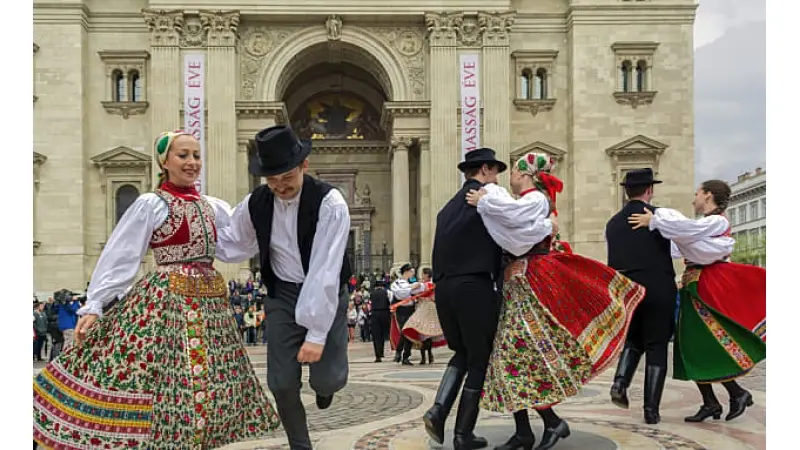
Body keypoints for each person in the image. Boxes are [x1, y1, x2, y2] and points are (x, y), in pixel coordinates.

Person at [32, 131, 280, 449]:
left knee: (208, 382)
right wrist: (95, 303)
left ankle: (195, 440)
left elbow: (233, 247)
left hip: (209, 306)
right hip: (166, 304)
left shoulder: (211, 206)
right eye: (183, 155)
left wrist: (259, 206)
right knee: (167, 379)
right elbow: (123, 253)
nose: (192, 162)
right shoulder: (152, 204)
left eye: (196, 155)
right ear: (165, 161)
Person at [469, 152, 645, 450]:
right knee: (509, 358)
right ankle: (528, 430)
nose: (510, 176)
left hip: (529, 282)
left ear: (526, 175)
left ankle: (548, 423)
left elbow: (514, 221)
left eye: (515, 171)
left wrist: (484, 201)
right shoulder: (526, 201)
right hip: (517, 284)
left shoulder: (536, 199)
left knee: (517, 354)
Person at [218, 125, 351, 450]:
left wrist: (316, 335)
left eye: (287, 176)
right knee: (280, 382)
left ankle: (324, 388)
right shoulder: (255, 203)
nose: (280, 186)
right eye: (272, 179)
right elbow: (235, 240)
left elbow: (325, 270)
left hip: (327, 291)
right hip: (282, 296)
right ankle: (300, 445)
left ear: (304, 165)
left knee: (328, 378)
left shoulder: (330, 203)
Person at [627, 179, 765, 423]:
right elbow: (683, 241)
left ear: (708, 195)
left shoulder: (717, 221)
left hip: (708, 286)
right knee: (689, 344)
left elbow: (688, 232)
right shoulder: (703, 225)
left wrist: (656, 221)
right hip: (694, 286)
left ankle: (735, 393)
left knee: (704, 341)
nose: (694, 199)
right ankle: (714, 400)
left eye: (697, 194)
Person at [423, 148, 507, 450]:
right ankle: (463, 433)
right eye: (495, 172)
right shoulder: (487, 199)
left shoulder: (446, 208)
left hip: (445, 288)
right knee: (481, 357)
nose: (497, 179)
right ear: (484, 170)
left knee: (462, 351)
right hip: (473, 286)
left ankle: (438, 410)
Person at [605, 168, 678, 424]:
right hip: (658, 286)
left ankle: (620, 382)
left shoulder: (612, 223)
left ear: (626, 191)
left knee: (633, 339)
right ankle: (651, 409)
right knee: (656, 345)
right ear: (650, 190)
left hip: (627, 290)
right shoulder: (659, 216)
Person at [401, 267, 446, 364]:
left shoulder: (422, 285)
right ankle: (429, 355)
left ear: (426, 275)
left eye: (423, 274)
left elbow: (411, 291)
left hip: (423, 308)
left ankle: (424, 357)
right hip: (432, 309)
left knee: (421, 332)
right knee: (428, 333)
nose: (422, 276)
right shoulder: (433, 285)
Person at [390, 264, 422, 365]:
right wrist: (412, 288)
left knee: (410, 332)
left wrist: (415, 287)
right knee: (404, 331)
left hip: (411, 309)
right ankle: (399, 352)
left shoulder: (412, 282)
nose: (412, 274)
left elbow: (420, 289)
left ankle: (406, 356)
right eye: (411, 272)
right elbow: (401, 294)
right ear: (406, 271)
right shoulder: (396, 283)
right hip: (402, 310)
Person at [369, 280, 391, 362]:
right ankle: (381, 352)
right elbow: (390, 301)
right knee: (383, 334)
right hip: (385, 313)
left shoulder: (372, 293)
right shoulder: (387, 292)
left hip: (374, 313)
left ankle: (378, 355)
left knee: (376, 335)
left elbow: (369, 304)